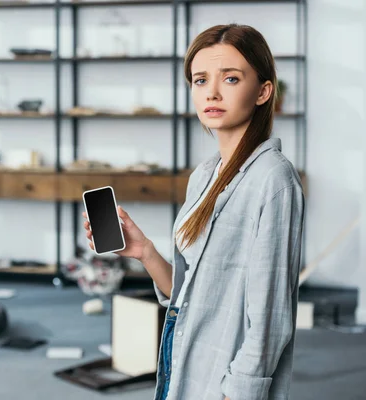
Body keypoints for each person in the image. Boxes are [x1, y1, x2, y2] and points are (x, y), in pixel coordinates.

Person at [82, 24, 305, 400]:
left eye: (231, 78)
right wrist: (146, 253)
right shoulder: (204, 176)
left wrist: (237, 393)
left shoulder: (273, 180)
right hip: (182, 365)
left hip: (226, 386)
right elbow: (189, 297)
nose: (212, 92)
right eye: (200, 80)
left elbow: (270, 320)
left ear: (263, 91)